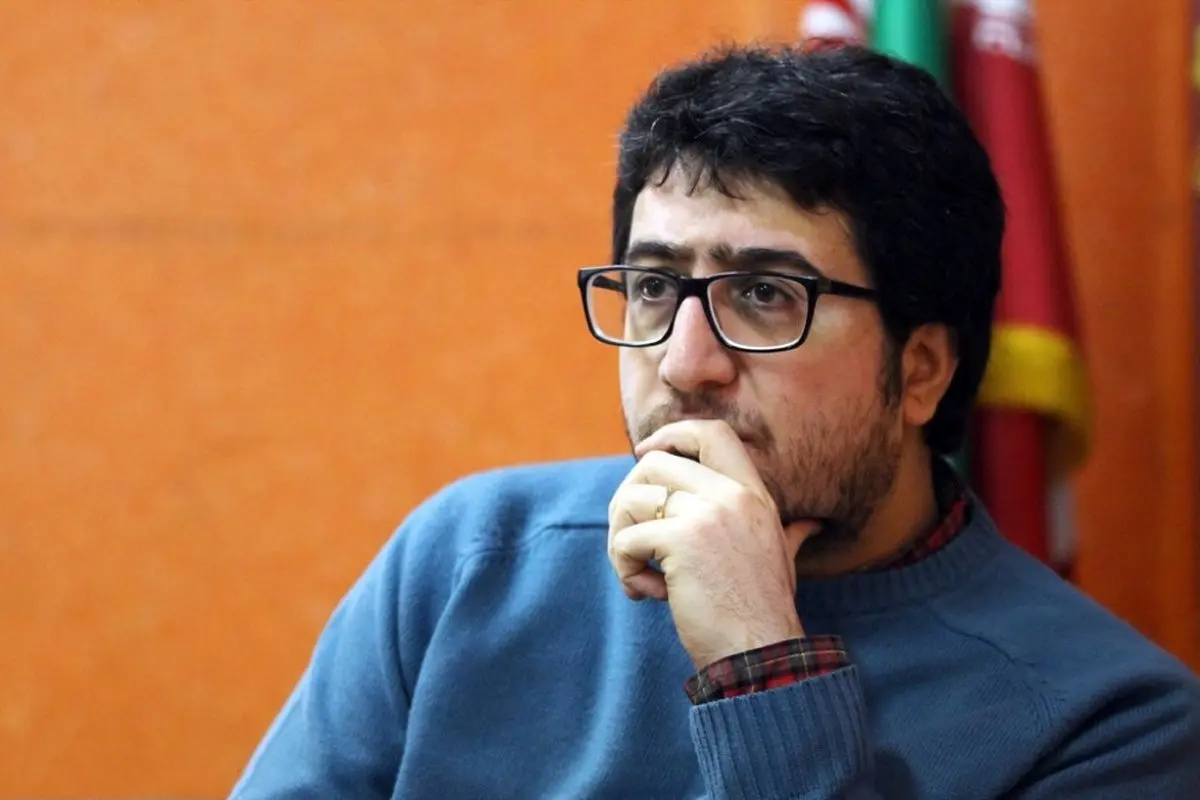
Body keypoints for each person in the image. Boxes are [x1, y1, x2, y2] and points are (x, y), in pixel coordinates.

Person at [231, 44, 1199, 799]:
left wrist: (760, 665)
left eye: (766, 294)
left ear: (921, 370)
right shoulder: (468, 561)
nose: (685, 362)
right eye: (655, 287)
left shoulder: (1112, 721)